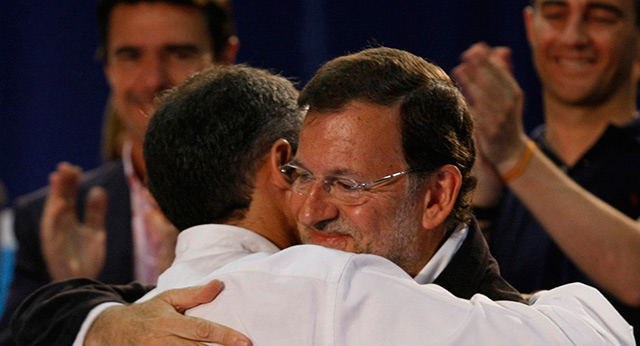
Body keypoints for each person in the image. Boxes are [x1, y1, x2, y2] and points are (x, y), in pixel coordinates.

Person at [13, 50, 634, 345]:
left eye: (346, 182)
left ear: (437, 194)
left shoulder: (323, 286)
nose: (313, 208)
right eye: (305, 177)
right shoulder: (239, 295)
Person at [0, 0, 239, 344]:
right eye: (130, 55)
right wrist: (73, 291)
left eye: (179, 53)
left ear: (225, 60)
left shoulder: (281, 203)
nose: (153, 79)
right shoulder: (48, 220)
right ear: (108, 67)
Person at [452, 0, 640, 338]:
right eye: (555, 14)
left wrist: (514, 156)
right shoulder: (502, 165)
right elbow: (458, 309)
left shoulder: (515, 157)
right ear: (530, 27)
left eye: (601, 17)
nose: (573, 37)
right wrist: (480, 195)